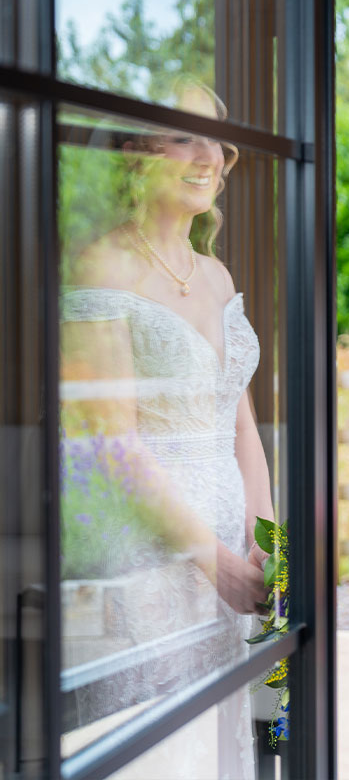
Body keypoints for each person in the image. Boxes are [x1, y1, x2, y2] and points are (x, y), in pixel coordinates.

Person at [60, 79, 271, 778]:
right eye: (183, 134)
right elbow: (112, 447)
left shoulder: (216, 273)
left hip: (233, 555)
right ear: (133, 153)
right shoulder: (103, 266)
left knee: (215, 736)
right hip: (150, 551)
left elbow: (239, 422)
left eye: (214, 136)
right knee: (160, 745)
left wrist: (266, 540)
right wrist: (216, 561)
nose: (209, 154)